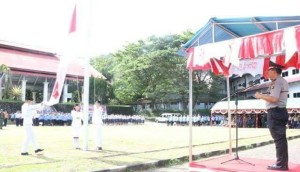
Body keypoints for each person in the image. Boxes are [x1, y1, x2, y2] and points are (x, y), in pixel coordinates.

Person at [254, 62, 289, 171]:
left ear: (274, 71)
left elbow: (274, 99)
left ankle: (281, 164)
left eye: (268, 70)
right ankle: (282, 162)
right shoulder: (279, 81)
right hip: (279, 111)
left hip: (276, 112)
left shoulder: (277, 82)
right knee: (280, 139)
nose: (266, 72)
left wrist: (261, 96)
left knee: (279, 139)